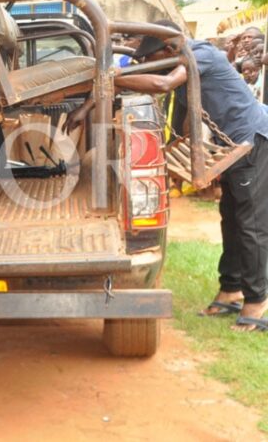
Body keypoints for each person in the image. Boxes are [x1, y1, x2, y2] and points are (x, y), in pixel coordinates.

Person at [67, 19, 268, 332]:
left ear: (169, 47)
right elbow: (186, 118)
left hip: (251, 142)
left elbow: (162, 84)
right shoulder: (185, 59)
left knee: (251, 226)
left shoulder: (198, 54)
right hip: (229, 147)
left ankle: (257, 302)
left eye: (151, 56)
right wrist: (87, 106)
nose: (148, 63)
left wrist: (115, 77)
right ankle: (231, 290)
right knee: (232, 219)